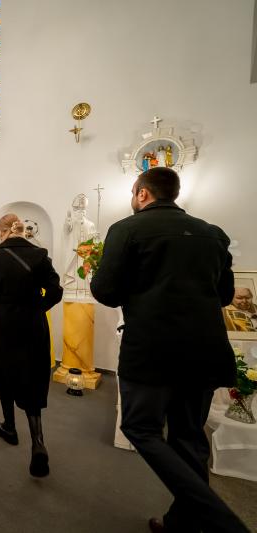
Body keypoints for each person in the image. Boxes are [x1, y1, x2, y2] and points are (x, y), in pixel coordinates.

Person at [90, 167, 247, 533]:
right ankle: (184, 523)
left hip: (153, 351)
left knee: (140, 427)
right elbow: (224, 295)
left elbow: (106, 291)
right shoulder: (213, 234)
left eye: (133, 192)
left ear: (143, 193)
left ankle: (220, 519)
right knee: (188, 437)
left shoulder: (127, 229)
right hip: (206, 350)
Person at [0, 214, 62, 478]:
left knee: (5, 373)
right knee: (33, 377)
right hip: (34, 324)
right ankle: (38, 441)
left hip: (4, 324)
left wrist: (3, 307)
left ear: (2, 231)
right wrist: (37, 308)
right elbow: (56, 291)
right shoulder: (40, 254)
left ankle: (9, 427)